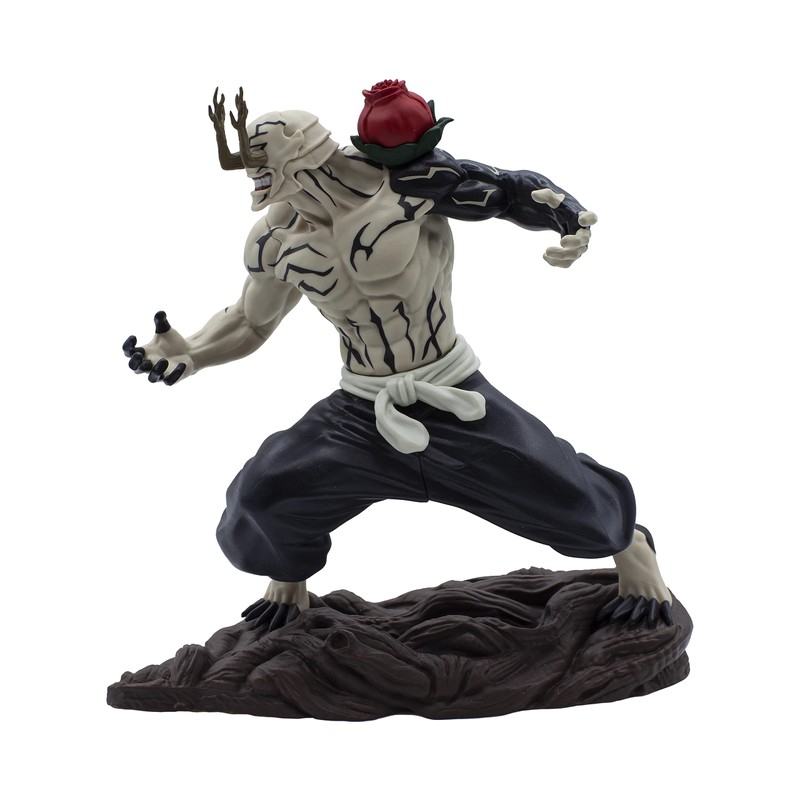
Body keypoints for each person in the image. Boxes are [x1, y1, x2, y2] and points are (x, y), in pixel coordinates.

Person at [123, 82, 672, 631]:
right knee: (259, 500)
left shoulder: (407, 185)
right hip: (360, 411)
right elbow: (250, 321)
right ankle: (289, 578)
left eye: (261, 157)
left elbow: (505, 191)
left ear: (303, 149)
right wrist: (192, 351)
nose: (252, 172)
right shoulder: (275, 239)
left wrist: (568, 218)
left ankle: (632, 549)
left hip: (451, 393)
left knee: (572, 501)